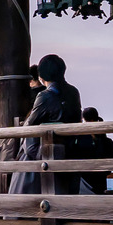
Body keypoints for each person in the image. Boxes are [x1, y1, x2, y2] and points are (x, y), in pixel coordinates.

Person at [16, 54, 83, 193]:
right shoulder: (73, 92)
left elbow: (30, 125)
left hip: (48, 152)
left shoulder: (45, 96)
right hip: (70, 149)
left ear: (41, 76)